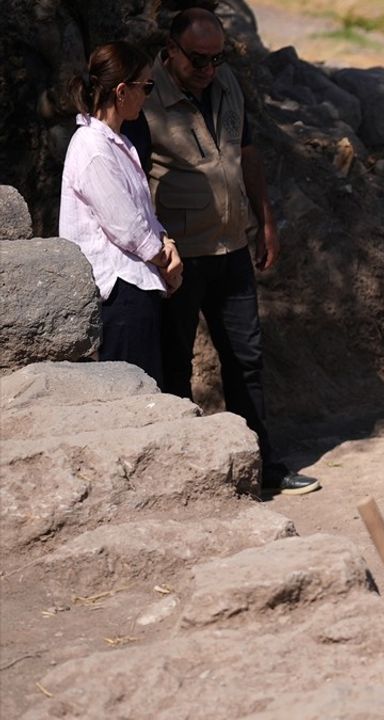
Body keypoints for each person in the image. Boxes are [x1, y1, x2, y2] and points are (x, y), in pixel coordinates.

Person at [124, 9, 318, 496]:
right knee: (174, 363)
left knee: (246, 358)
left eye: (218, 57)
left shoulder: (227, 81)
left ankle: (262, 465)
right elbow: (128, 176)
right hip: (179, 253)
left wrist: (266, 220)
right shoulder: (146, 99)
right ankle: (187, 472)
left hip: (232, 244)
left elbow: (246, 152)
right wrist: (149, 250)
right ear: (170, 51)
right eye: (198, 59)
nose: (209, 68)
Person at [60, 41, 183, 385]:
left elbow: (143, 212)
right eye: (146, 86)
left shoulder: (118, 143)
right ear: (121, 91)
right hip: (119, 292)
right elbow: (126, 227)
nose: (148, 94)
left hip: (137, 286)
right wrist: (164, 258)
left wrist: (167, 245)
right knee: (134, 393)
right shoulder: (94, 148)